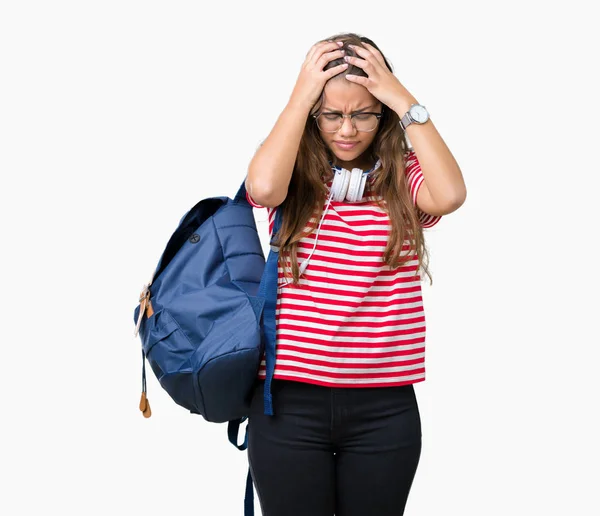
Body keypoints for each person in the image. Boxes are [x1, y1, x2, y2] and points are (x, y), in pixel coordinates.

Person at [243, 32, 467, 516]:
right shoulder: (294, 173)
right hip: (288, 406)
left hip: (384, 410)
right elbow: (261, 187)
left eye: (363, 113)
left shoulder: (405, 176)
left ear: (382, 112)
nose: (347, 129)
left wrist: (402, 97)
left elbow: (449, 195)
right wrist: (302, 94)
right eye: (331, 115)